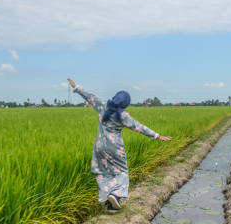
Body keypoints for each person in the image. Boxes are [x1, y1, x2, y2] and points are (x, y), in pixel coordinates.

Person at [67, 78, 172, 211]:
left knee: (103, 172)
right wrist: (157, 136)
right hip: (115, 147)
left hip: (100, 146)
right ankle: (116, 196)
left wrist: (76, 86)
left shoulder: (103, 105)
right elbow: (139, 127)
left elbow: (89, 96)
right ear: (125, 104)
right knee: (122, 172)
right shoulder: (123, 115)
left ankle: (109, 203)